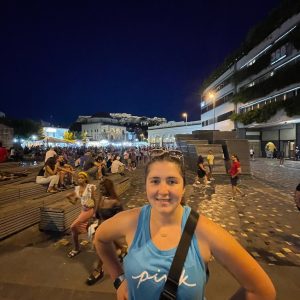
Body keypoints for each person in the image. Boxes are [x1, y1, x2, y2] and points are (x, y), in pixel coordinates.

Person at [94, 152, 275, 299]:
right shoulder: (132, 220)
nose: (163, 191)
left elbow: (261, 290)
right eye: (155, 181)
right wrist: (119, 279)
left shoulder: (205, 231)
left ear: (183, 188)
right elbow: (100, 238)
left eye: (172, 181)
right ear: (146, 186)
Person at [86, 178, 127, 285]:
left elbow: (121, 218)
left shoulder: (115, 202)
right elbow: (98, 215)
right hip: (101, 228)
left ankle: (99, 270)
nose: (101, 191)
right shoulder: (102, 199)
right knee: (105, 247)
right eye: (100, 189)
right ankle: (122, 250)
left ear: (108, 188)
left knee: (101, 249)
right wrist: (96, 226)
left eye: (103, 188)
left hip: (110, 230)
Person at [67, 172, 96, 258]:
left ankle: (76, 248)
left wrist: (95, 213)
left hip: (89, 210)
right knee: (75, 229)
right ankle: (77, 247)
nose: (80, 179)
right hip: (83, 210)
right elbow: (74, 202)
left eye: (82, 178)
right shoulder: (77, 189)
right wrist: (68, 198)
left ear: (86, 179)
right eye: (79, 178)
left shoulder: (90, 187)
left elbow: (95, 200)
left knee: (73, 226)